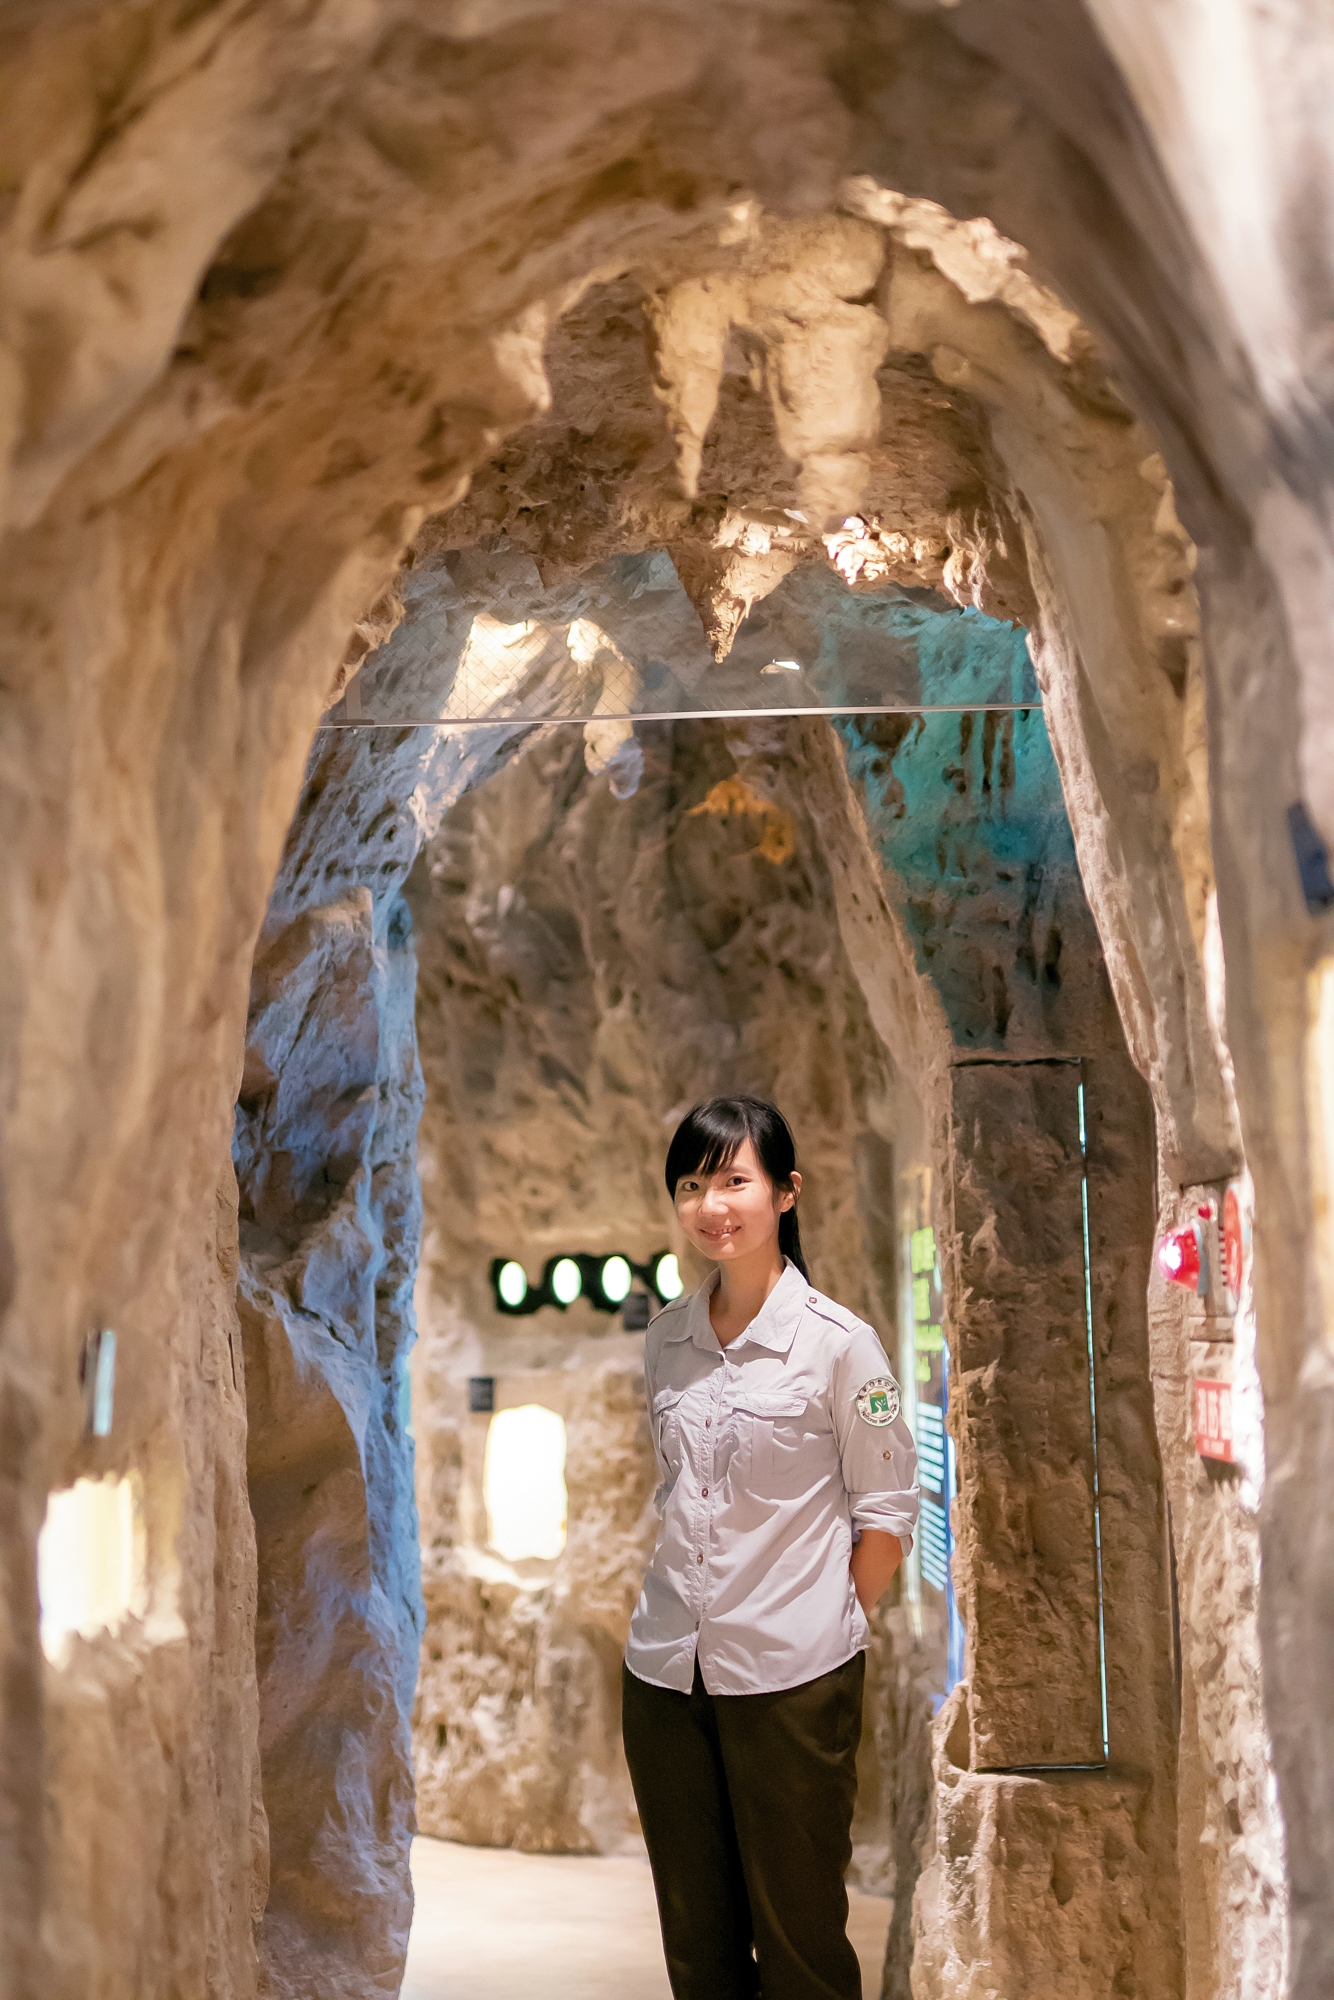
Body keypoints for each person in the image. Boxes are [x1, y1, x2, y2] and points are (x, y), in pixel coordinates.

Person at [622, 1096, 920, 2000]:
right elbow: (678, 1493)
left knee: (800, 1947)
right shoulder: (667, 1338)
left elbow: (886, 1513)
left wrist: (823, 1620)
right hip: (666, 1675)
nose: (711, 1205)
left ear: (786, 1192)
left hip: (794, 1678)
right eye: (691, 1185)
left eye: (733, 1181)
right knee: (697, 1947)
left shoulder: (840, 1344)